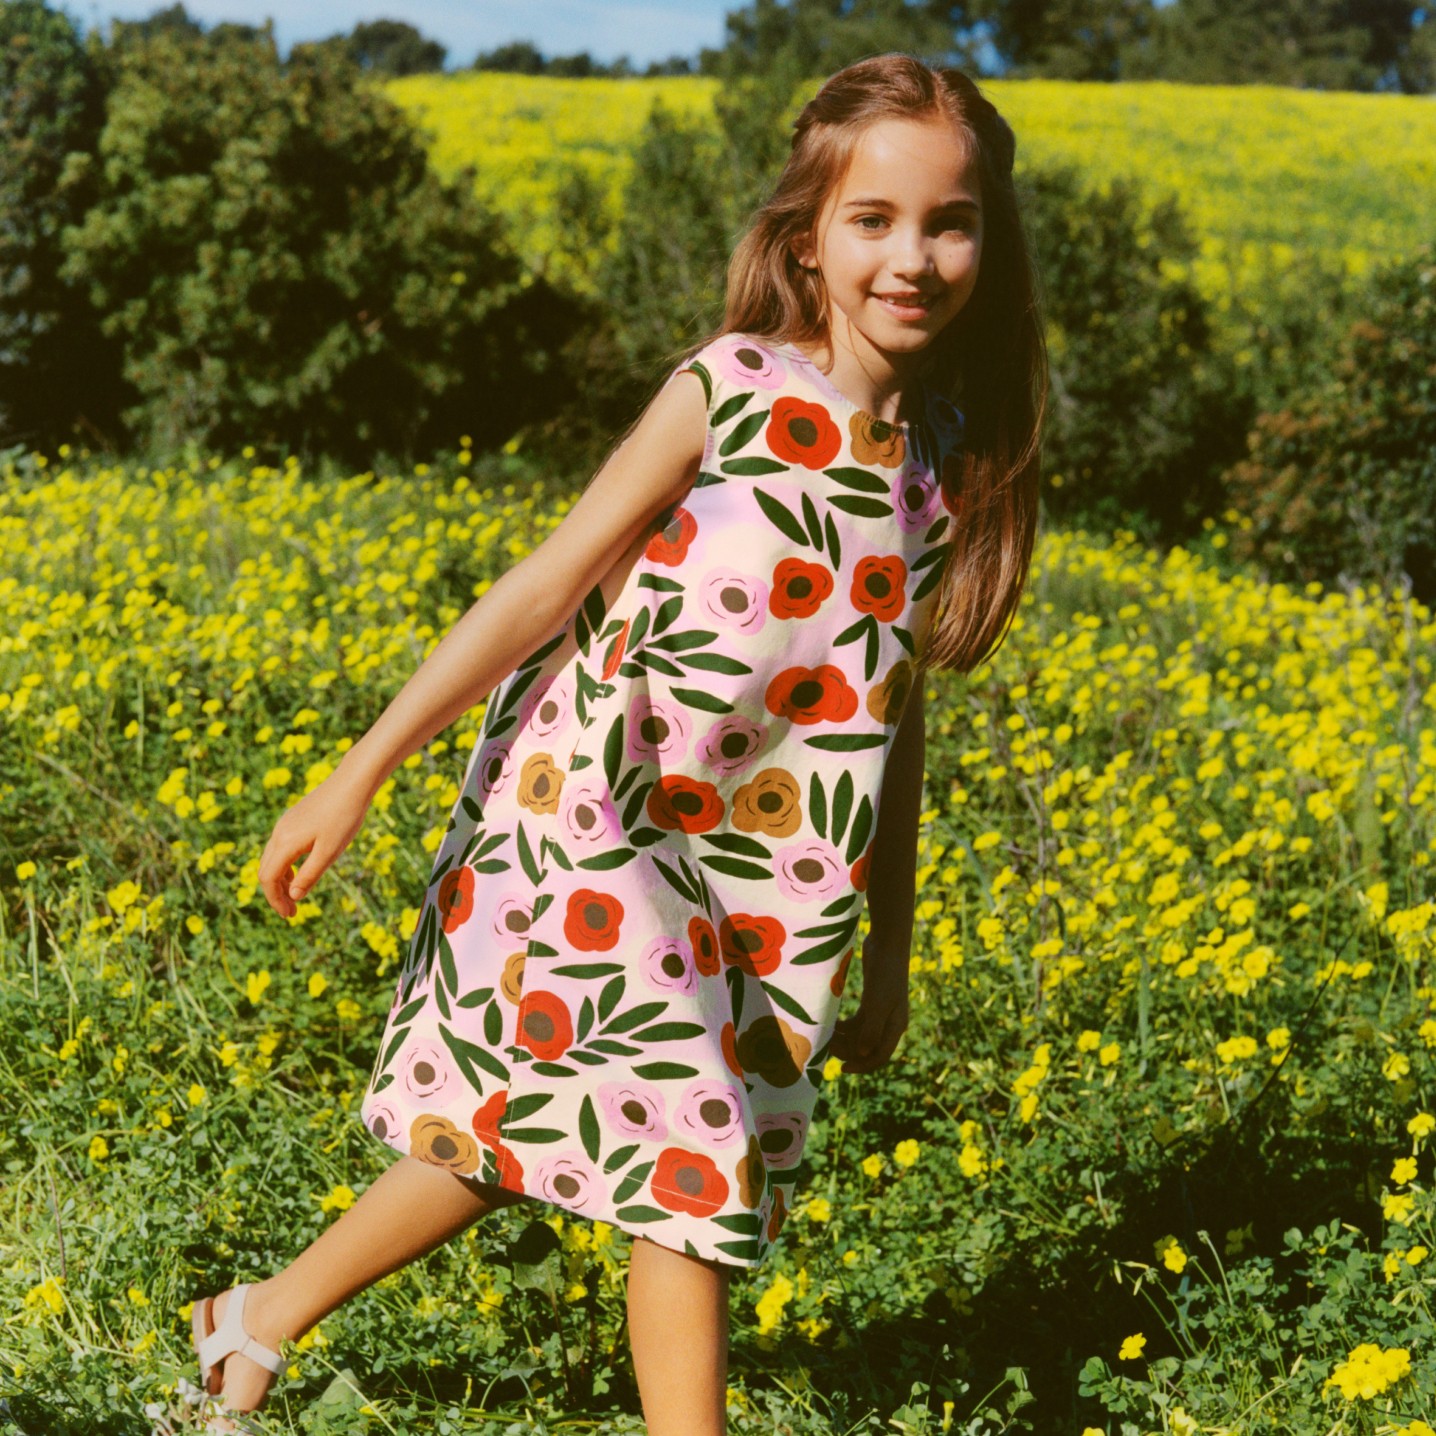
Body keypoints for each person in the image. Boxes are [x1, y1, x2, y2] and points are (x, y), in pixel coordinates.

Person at [183, 50, 1047, 1436]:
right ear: (807, 240)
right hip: (595, 802)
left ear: (989, 245)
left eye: (949, 222)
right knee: (694, 1159)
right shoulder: (735, 388)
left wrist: (889, 949)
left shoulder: (937, 470)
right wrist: (362, 768)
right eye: (873, 220)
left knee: (532, 1125)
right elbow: (547, 582)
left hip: (761, 877)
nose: (913, 257)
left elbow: (889, 726)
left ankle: (255, 1318)